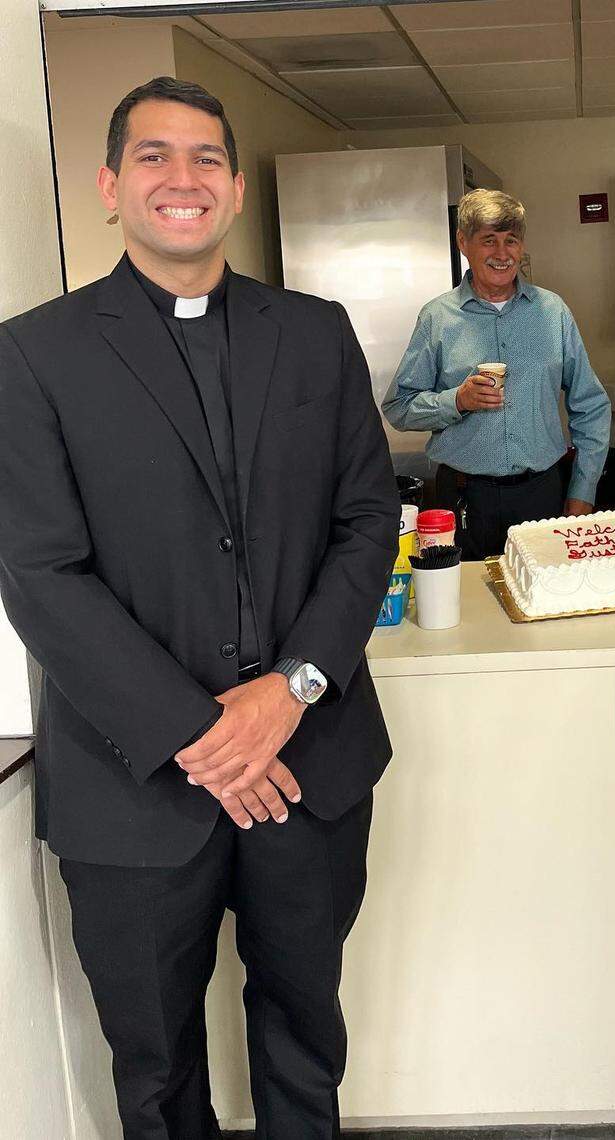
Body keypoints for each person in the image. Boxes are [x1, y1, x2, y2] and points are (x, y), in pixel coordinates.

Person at [0, 77, 400, 1138]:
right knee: (157, 1065)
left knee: (305, 1032)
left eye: (207, 158)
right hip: (131, 789)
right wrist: (206, 734)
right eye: (153, 157)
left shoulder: (315, 334)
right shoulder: (32, 354)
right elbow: (39, 571)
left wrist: (292, 689)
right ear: (109, 186)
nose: (183, 177)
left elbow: (369, 523)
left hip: (310, 762)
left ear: (229, 188)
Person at [383, 189, 611, 560]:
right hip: (463, 498)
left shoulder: (552, 313)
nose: (502, 254)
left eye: (512, 241)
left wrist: (582, 493)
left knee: (545, 606)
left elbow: (592, 406)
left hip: (542, 494)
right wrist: (456, 400)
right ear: (463, 243)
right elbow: (398, 407)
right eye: (489, 241)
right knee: (467, 611)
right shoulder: (437, 318)